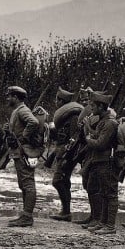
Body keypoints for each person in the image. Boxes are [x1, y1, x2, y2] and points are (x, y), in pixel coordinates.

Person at [81, 92, 119, 235]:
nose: (90, 108)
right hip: (100, 161)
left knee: (110, 194)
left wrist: (87, 138)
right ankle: (102, 223)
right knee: (103, 193)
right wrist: (87, 129)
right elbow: (96, 135)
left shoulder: (110, 123)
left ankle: (110, 226)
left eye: (93, 105)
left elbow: (100, 144)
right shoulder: (103, 121)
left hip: (107, 162)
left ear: (101, 106)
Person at [3, 85, 40, 227]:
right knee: (24, 184)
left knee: (28, 184)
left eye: (10, 96)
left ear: (16, 98)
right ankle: (26, 215)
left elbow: (34, 122)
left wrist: (23, 137)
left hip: (25, 151)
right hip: (20, 151)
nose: (8, 99)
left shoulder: (23, 110)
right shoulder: (18, 111)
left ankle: (27, 217)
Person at [49, 87, 84, 221]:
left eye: (57, 99)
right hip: (62, 151)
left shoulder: (73, 117)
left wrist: (67, 156)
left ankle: (66, 211)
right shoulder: (65, 117)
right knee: (64, 181)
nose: (56, 102)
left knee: (58, 181)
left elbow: (73, 139)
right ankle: (65, 211)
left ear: (61, 101)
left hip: (67, 153)